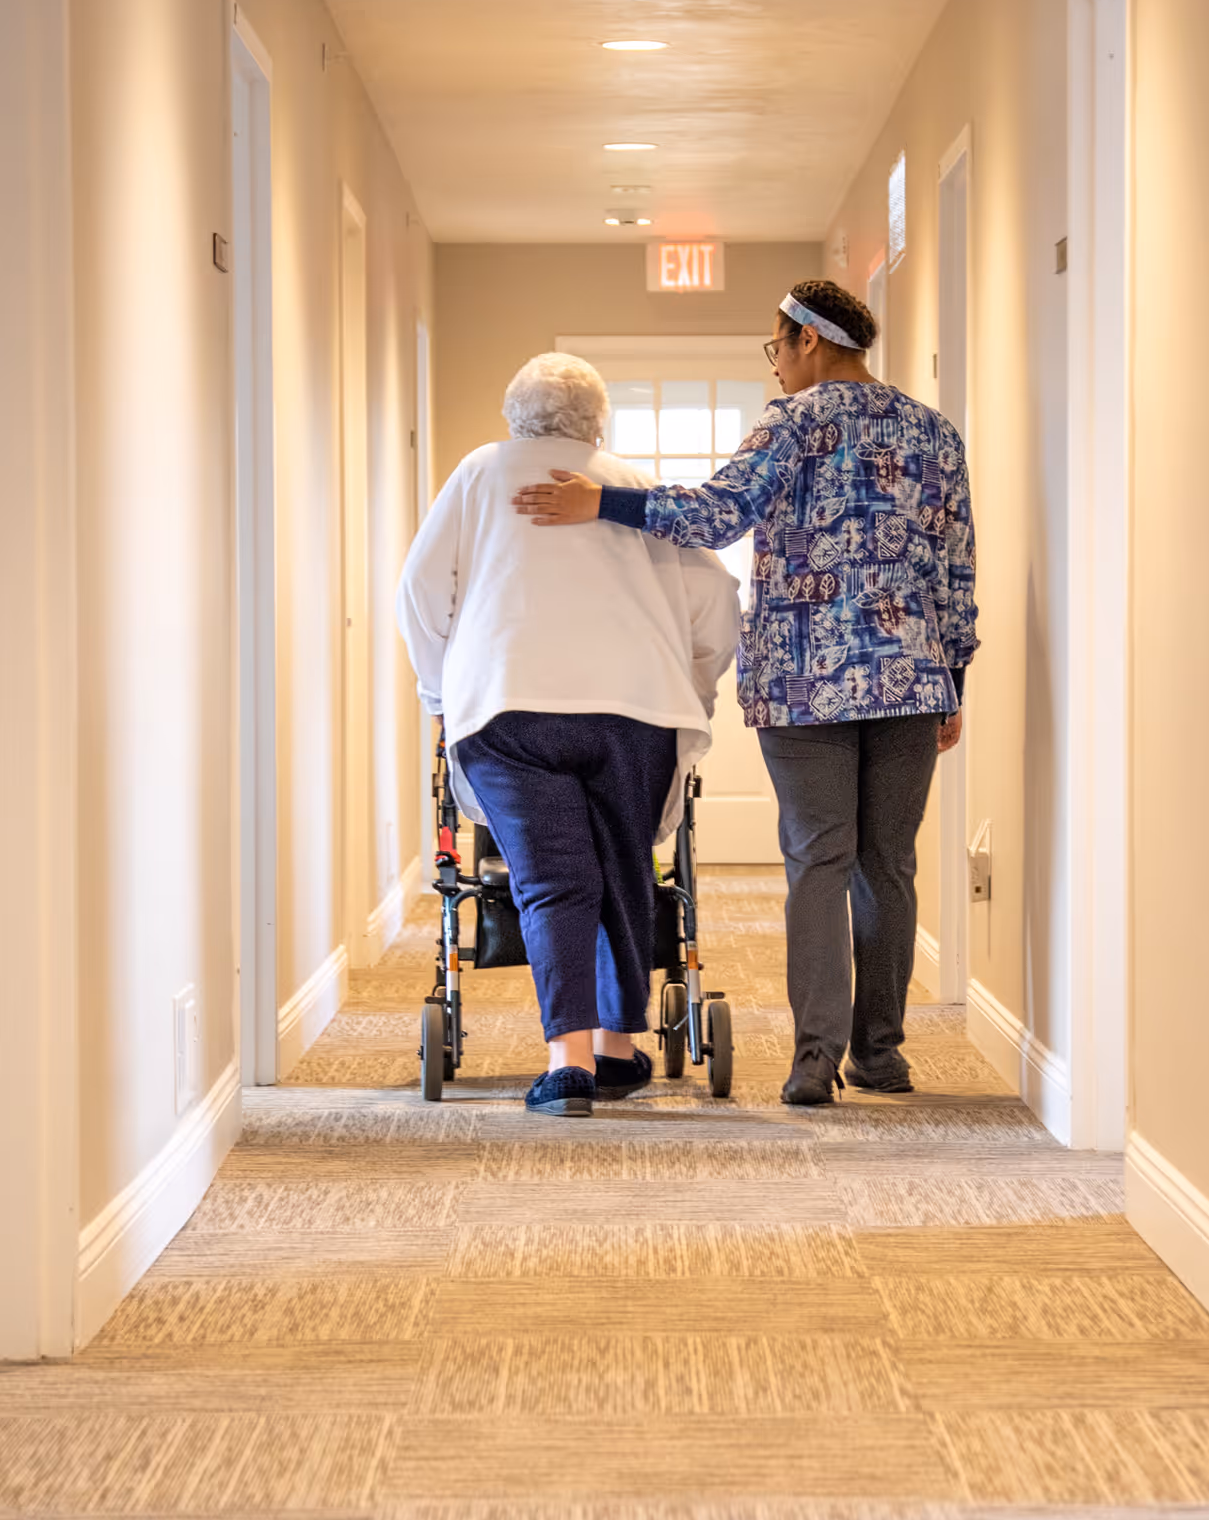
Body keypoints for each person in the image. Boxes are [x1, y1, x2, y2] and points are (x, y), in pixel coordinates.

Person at [515, 280, 977, 1107]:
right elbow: (956, 568)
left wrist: (602, 504)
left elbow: (718, 513)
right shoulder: (934, 431)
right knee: (889, 864)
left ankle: (813, 1061)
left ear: (805, 339)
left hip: (807, 684)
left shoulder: (792, 423)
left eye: (777, 348)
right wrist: (954, 679)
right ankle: (881, 1053)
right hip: (911, 679)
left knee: (817, 860)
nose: (779, 367)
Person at [398, 352, 739, 1118]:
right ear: (598, 420)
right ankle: (619, 1050)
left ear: (513, 411)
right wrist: (694, 686)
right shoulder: (632, 483)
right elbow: (716, 597)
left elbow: (420, 593)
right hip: (636, 709)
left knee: (554, 879)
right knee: (625, 869)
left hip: (510, 708)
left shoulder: (480, 473)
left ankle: (569, 1064)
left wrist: (441, 691)